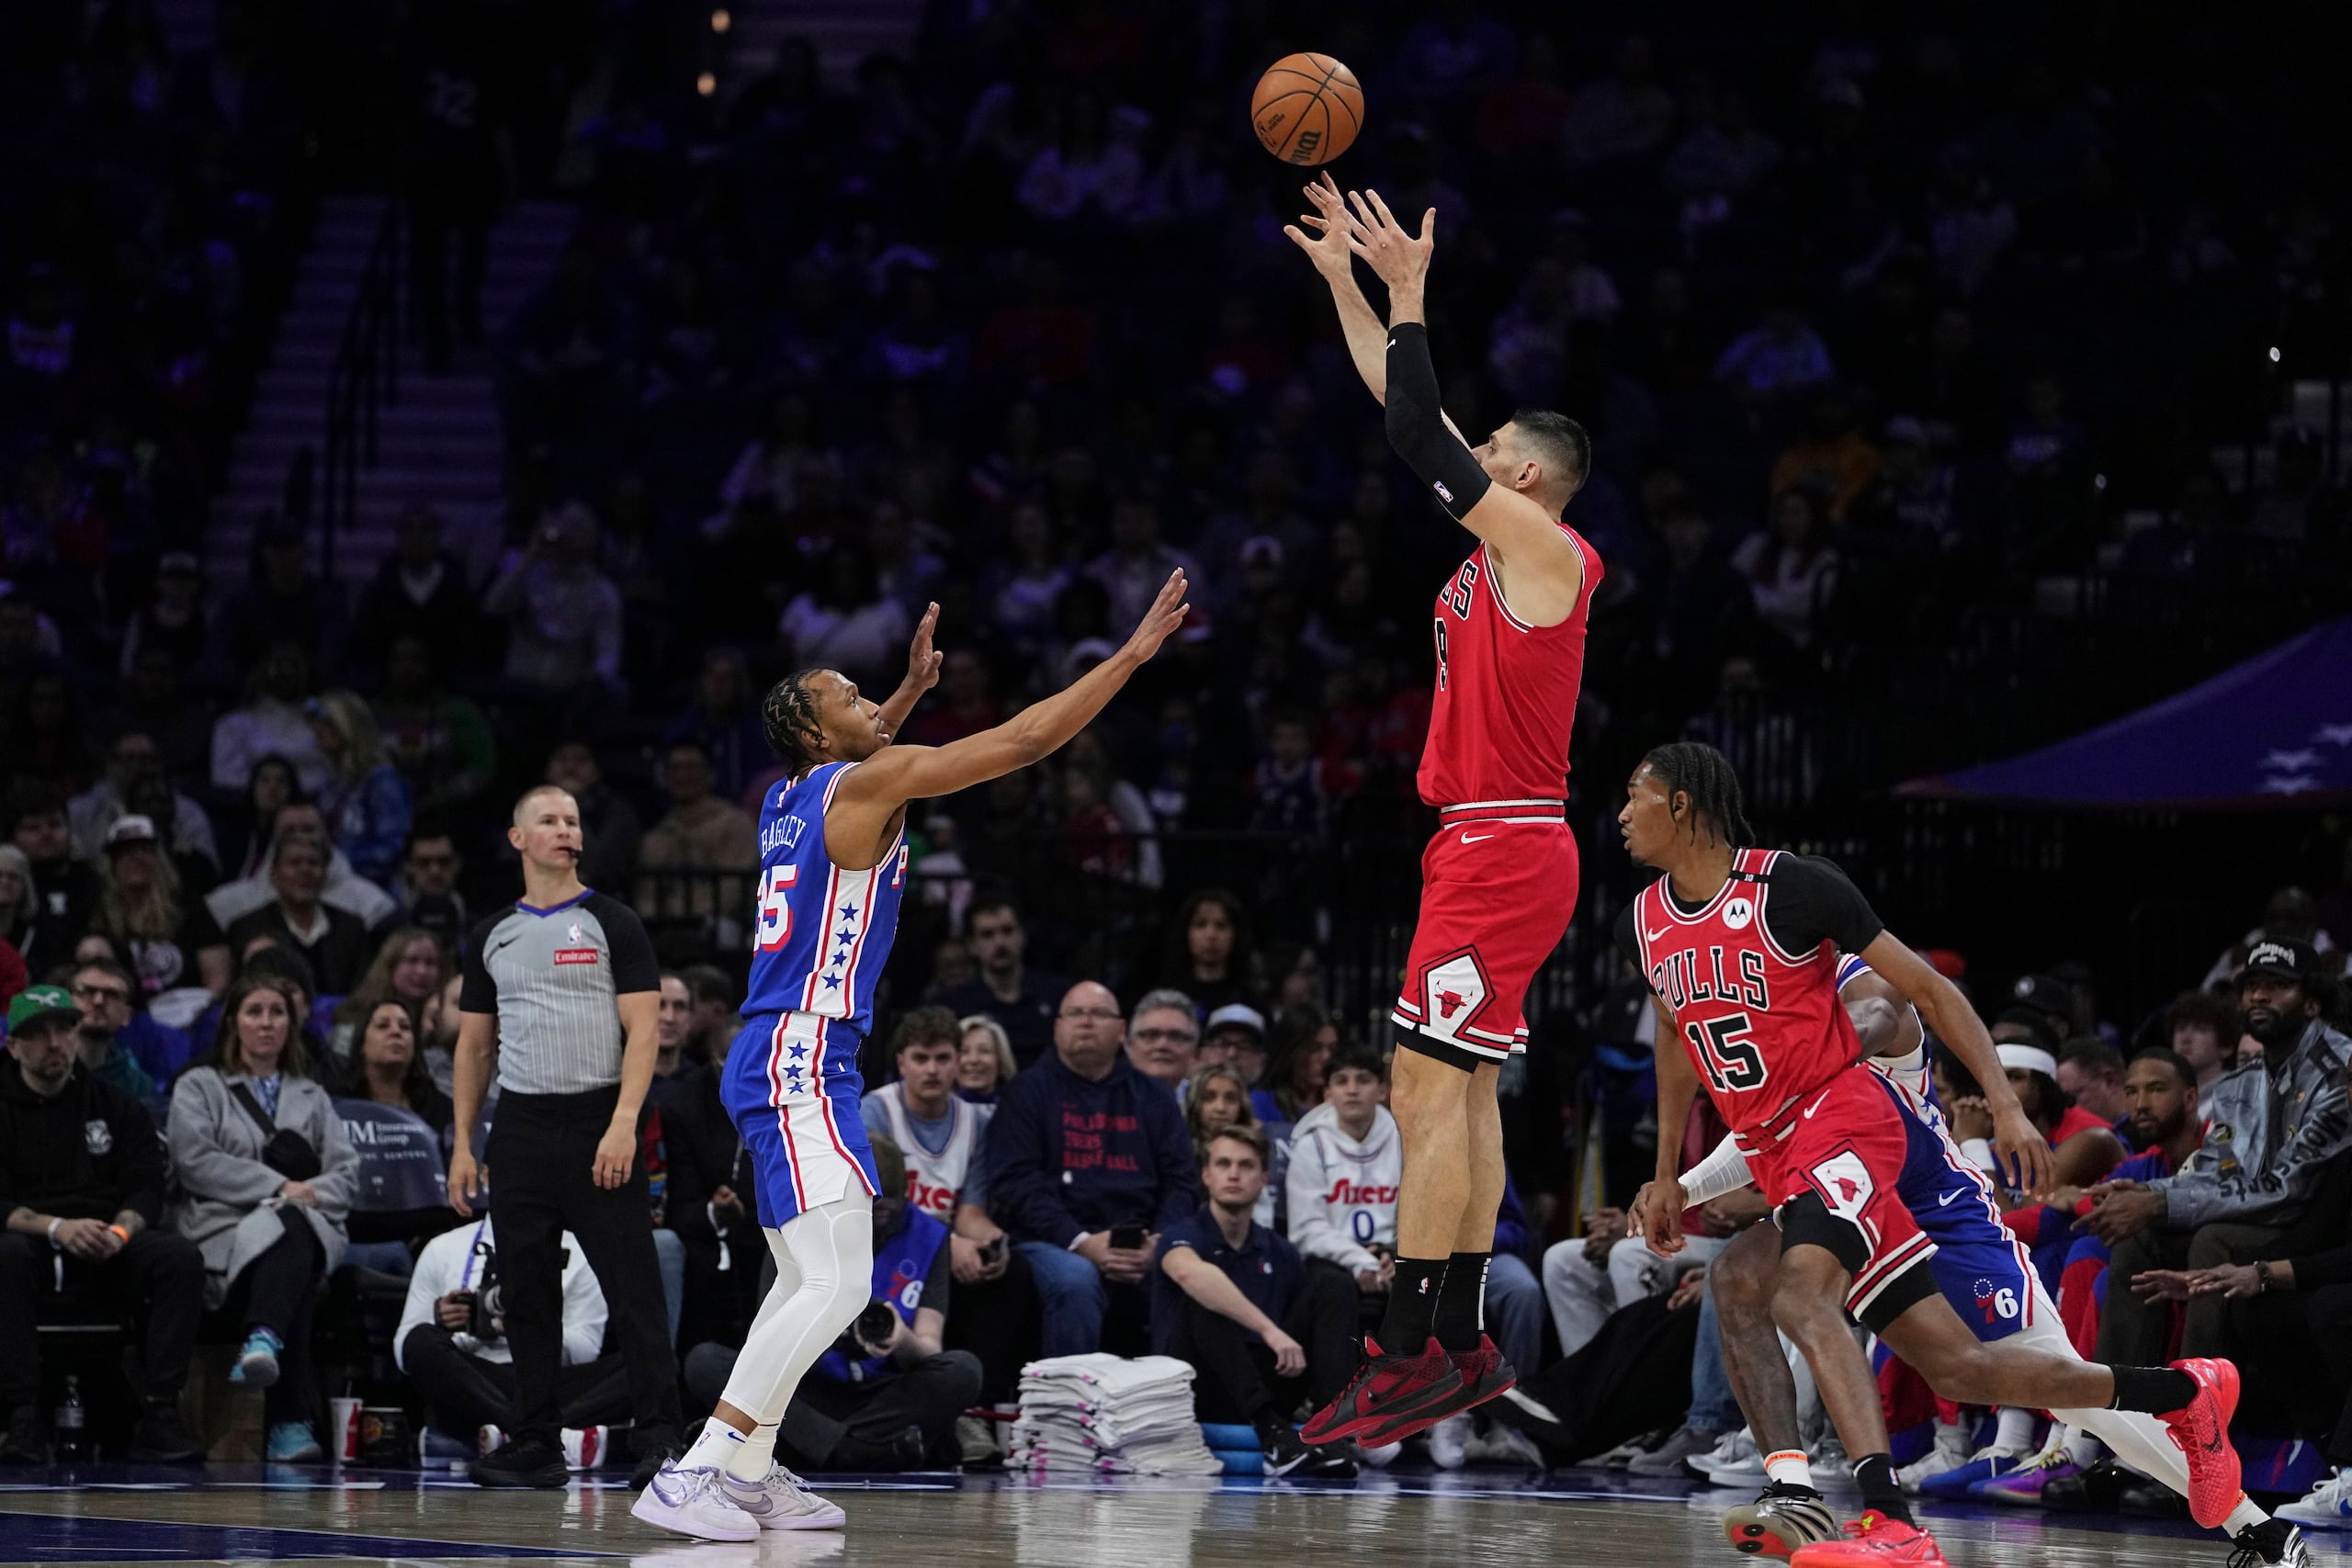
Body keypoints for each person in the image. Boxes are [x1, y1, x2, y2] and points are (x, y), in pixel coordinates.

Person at [637, 575, 1190, 1542]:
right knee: (842, 1283)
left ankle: (755, 1471)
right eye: (851, 696)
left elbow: (860, 756)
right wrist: (1129, 659)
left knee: (804, 1279)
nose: (871, 704)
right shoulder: (865, 787)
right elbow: (1020, 743)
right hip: (804, 1053)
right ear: (818, 736)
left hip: (776, 1050)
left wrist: (899, 700)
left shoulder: (786, 798)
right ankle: (699, 1468)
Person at [1618, 741, 2245, 1566]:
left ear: (1685, 805)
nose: (1622, 814)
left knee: (1799, 1297)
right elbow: (1673, 1036)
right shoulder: (1649, 917)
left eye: (1636, 795)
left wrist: (2011, 1111)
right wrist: (1668, 1174)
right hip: (1799, 1161)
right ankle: (2189, 1391)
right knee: (1946, 1364)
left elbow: (1925, 995)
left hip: (1860, 1142)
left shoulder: (1801, 897)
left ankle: (1881, 1521)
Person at [1288, 175, 1602, 1452]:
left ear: (1523, 470)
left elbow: (1420, 436)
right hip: (1491, 841)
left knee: (1426, 1096)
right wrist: (1349, 289)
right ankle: (1462, 1337)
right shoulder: (1506, 546)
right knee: (1458, 1098)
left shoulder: (1543, 551)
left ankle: (1405, 1348)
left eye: (1493, 455)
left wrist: (1414, 295)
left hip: (1504, 839)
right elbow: (1399, 400)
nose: (1476, 461)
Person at [447, 784, 682, 1491]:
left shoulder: (612, 922)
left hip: (598, 1118)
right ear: (518, 838)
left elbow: (644, 1029)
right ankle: (536, 1438)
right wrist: (462, 1142)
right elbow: (473, 1049)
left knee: (634, 1287)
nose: (565, 829)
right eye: (548, 819)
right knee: (525, 1292)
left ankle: (662, 1439)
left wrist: (623, 1122)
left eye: (574, 819)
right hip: (520, 1125)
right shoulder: (491, 934)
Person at [2086, 939, 2351, 1371]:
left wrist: (2160, 1202)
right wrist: (2148, 1191)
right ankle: (2119, 1409)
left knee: (2214, 1240)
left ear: (2311, 1004)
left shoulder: (2339, 1072)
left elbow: (2287, 1189)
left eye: (2277, 986)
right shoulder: (2240, 1082)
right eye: (2251, 985)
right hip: (2262, 1216)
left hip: (2318, 1227)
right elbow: (2215, 1169)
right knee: (2140, 1236)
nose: (2258, 995)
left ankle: (2198, 1412)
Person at [0, 985, 206, 1464]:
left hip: (105, 1239)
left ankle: (160, 1411)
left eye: (63, 1029)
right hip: (31, 1239)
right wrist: (57, 1228)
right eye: (38, 1033)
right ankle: (21, 1417)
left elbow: (146, 1188)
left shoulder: (115, 1105)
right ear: (13, 1045)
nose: (54, 1043)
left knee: (179, 1259)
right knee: (4, 1257)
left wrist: (119, 1232)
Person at [168, 974, 361, 1464]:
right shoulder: (200, 1085)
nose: (266, 1022)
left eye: (277, 1012)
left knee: (293, 1227)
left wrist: (306, 1194)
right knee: (292, 1237)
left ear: (291, 1024)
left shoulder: (312, 1095)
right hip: (223, 1230)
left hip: (302, 1221)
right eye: (254, 1011)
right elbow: (194, 1161)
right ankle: (289, 1421)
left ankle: (264, 1340)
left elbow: (346, 1171)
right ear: (233, 1021)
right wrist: (277, 1187)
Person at [987, 979, 1204, 1360]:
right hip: (1052, 1240)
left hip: (1141, 1238)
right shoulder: (1026, 1092)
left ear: (1121, 1031)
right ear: (1057, 1027)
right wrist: (1082, 1242)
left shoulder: (1154, 1096)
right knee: (1077, 1279)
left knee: (1191, 1270)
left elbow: (1182, 1182)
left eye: (1098, 1013)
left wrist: (1159, 1242)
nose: (1086, 1022)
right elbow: (1016, 1183)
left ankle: (1169, 1406)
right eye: (1075, 1013)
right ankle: (1070, 1408)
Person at [1157, 1123, 1361, 1478]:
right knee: (1203, 1300)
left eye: (1246, 1165)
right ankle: (1273, 1435)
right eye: (1223, 1164)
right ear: (1206, 1175)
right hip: (1201, 1384)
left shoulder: (1280, 1251)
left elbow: (1309, 1331)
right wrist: (1269, 1331)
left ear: (1264, 1178)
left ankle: (1332, 1429)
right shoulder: (1181, 1234)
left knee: (1334, 1284)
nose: (1233, 1174)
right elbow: (1189, 1273)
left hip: (1269, 1381)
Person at [396, 1214, 630, 1455]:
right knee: (420, 1340)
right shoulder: (442, 1247)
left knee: (646, 1363)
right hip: (475, 1377)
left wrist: (525, 1327)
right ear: (485, 1177)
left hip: (549, 1380)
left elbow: (586, 1350)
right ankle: (544, 1436)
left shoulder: (581, 1253)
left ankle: (515, 1434)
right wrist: (440, 1321)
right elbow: (404, 1348)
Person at [87, 815, 231, 1004]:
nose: (136, 858)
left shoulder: (187, 905)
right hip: (128, 1015)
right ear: (112, 863)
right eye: (126, 852)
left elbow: (217, 977)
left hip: (192, 1011)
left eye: (144, 850)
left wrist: (198, 1010)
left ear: (159, 857)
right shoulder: (98, 912)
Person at [223, 832, 373, 997]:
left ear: (325, 872)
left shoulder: (351, 927)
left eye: (314, 863)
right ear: (275, 873)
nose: (305, 870)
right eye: (294, 863)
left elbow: (362, 991)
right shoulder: (248, 928)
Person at [932, 896, 1068, 1067]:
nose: (1000, 942)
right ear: (972, 945)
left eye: (1008, 931)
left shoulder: (1057, 995)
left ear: (1022, 936)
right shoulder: (951, 1005)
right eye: (987, 935)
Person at [309, 691, 413, 891]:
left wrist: (333, 864)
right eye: (317, 723)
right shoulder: (331, 785)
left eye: (328, 722)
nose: (318, 730)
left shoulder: (382, 781)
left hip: (375, 891)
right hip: (332, 887)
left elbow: (391, 849)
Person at [328, 927, 452, 1072]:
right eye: (412, 961)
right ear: (390, 966)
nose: (421, 971)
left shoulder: (447, 1020)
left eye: (430, 963)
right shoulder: (357, 1018)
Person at [1160, 889, 1257, 1018]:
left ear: (1236, 935)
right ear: (1186, 933)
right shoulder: (1165, 1000)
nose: (1211, 935)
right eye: (1200, 925)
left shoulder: (1251, 1004)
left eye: (1221, 926)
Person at [1126, 987, 1201, 1093]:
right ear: (1130, 1046)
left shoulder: (1206, 1105)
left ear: (1195, 1052)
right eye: (1151, 1035)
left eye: (1176, 1037)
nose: (1162, 1045)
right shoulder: (1107, 1101)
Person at [956, 1013, 1015, 1103]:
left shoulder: (1019, 1111)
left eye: (984, 1051)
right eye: (964, 1051)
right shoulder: (933, 1112)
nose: (974, 1060)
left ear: (1001, 1060)